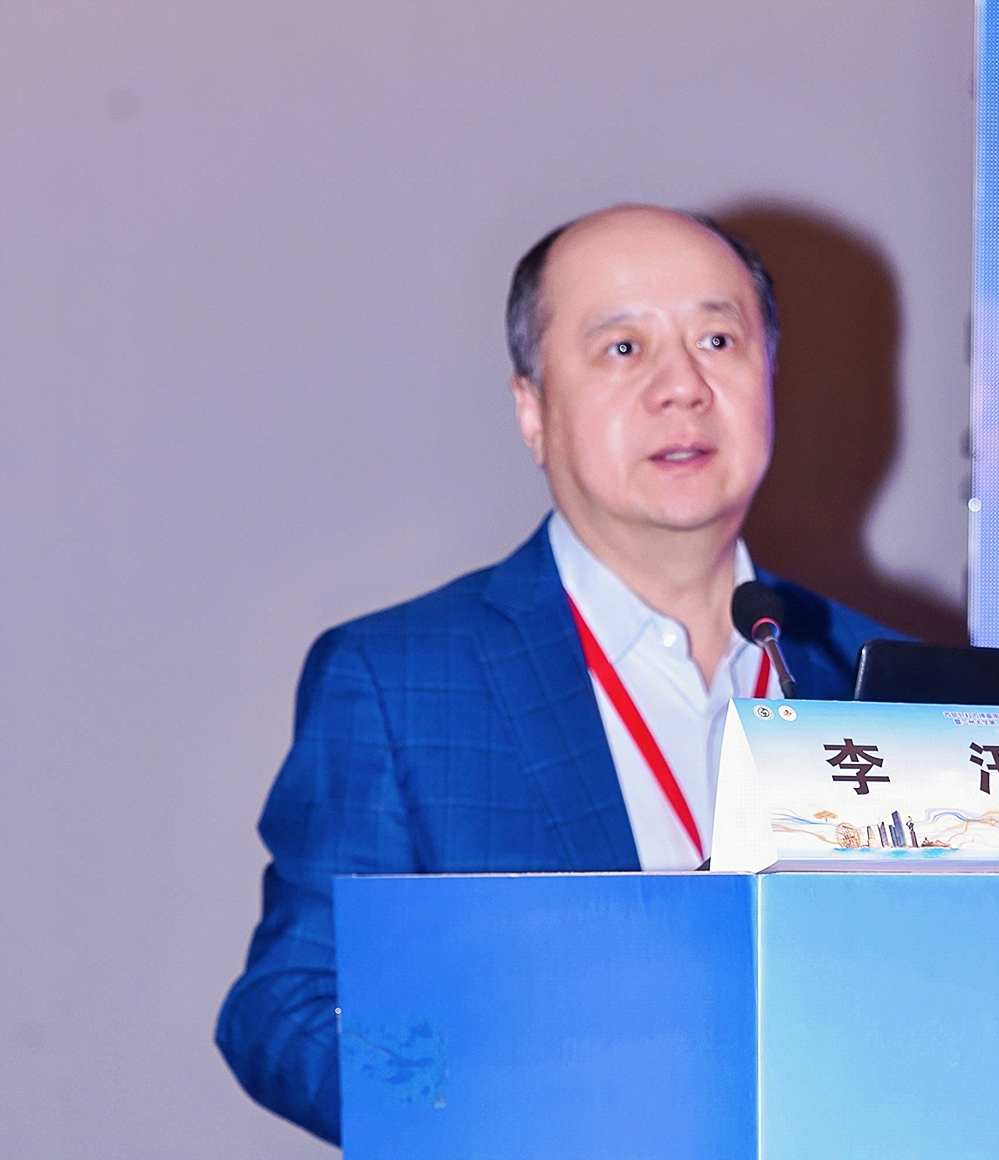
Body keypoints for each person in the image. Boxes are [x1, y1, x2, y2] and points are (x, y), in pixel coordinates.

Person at [215, 205, 895, 1143]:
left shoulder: (876, 678)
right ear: (533, 412)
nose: (683, 388)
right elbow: (287, 1007)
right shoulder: (399, 681)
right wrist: (497, 1110)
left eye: (717, 340)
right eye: (623, 349)